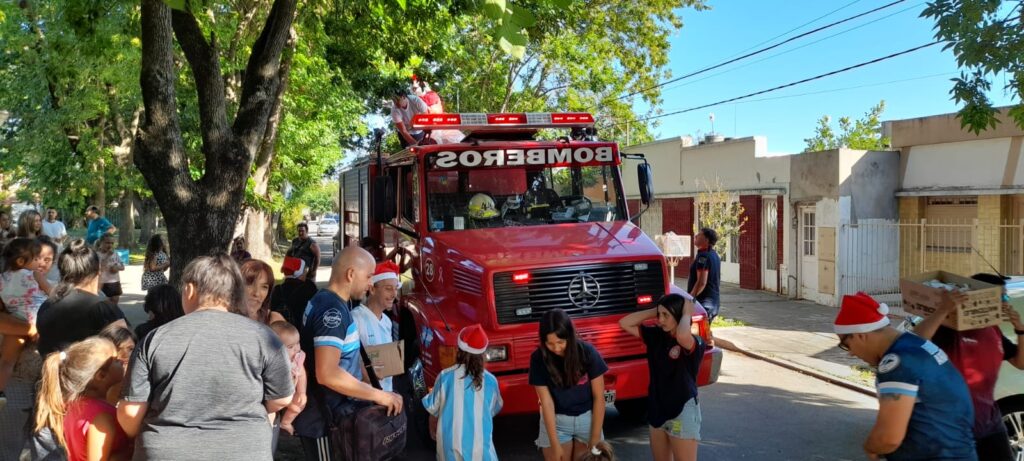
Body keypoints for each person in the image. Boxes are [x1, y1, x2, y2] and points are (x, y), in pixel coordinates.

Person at [117, 253, 294, 461]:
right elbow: (282, 398)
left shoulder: (154, 339)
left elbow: (130, 412)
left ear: (189, 289)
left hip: (167, 452)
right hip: (244, 451)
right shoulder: (265, 337)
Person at [835, 291, 976, 461]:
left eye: (846, 345)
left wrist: (871, 447)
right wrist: (942, 310)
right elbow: (919, 334)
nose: (850, 353)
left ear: (860, 335)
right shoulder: (915, 346)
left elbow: (888, 439)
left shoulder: (896, 364)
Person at [292, 245, 403, 461]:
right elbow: (327, 373)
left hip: (332, 415)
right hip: (324, 421)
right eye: (368, 276)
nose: (370, 283)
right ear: (351, 274)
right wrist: (379, 395)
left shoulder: (326, 300)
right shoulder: (332, 311)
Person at [912, 273, 1024, 461]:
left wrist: (1020, 329)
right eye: (1001, 297)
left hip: (990, 423)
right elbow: (914, 342)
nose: (1005, 302)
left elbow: (1020, 363)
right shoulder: (950, 328)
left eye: (1005, 297)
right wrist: (943, 310)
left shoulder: (993, 330)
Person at [619, 293, 706, 461]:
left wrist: (687, 313)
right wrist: (656, 310)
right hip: (657, 410)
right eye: (660, 315)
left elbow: (682, 336)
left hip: (681, 410)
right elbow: (625, 322)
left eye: (666, 315)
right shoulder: (656, 336)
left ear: (679, 315)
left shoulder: (694, 342)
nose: (661, 320)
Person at [34, 336, 132, 461]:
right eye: (116, 360)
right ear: (101, 376)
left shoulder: (76, 405)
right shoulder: (101, 417)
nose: (122, 361)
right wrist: (132, 449)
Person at [530, 309, 608, 461]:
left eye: (560, 342)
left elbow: (599, 397)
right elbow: (546, 402)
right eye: (550, 344)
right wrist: (555, 444)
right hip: (555, 422)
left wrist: (595, 437)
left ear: (570, 337)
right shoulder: (538, 358)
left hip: (588, 419)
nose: (556, 348)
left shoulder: (587, 352)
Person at [422, 324, 503, 461]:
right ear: (483, 354)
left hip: (450, 449)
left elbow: (433, 410)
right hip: (480, 450)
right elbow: (494, 409)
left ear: (458, 350)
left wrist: (432, 427)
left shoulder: (445, 377)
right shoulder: (490, 381)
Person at [36, 239, 127, 357]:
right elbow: (126, 348)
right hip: (92, 368)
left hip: (53, 367)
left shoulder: (47, 305)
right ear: (98, 269)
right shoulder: (103, 308)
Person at [0, 238, 48, 410]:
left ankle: (0, 391)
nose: (39, 263)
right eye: (36, 258)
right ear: (21, 261)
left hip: (15, 321)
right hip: (39, 318)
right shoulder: (34, 275)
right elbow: (51, 291)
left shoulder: (1, 278)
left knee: (7, 361)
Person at [352, 261, 401, 392]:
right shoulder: (355, 319)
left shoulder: (387, 321)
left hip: (386, 396)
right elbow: (344, 365)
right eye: (388, 288)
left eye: (396, 288)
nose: (394, 294)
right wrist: (365, 373)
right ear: (372, 289)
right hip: (365, 399)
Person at [270, 321, 307, 436]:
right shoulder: (273, 362)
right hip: (274, 395)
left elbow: (301, 374)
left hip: (290, 391)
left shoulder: (297, 357)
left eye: (298, 343)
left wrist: (301, 392)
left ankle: (285, 423)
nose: (296, 349)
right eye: (290, 347)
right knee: (290, 409)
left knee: (300, 404)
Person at [270, 256, 318, 328]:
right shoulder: (309, 288)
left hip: (282, 330)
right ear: (300, 273)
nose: (306, 272)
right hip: (304, 330)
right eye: (305, 270)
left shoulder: (277, 290)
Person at [687, 227, 721, 322]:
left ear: (706, 240)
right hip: (712, 302)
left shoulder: (703, 256)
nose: (696, 236)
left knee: (694, 330)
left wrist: (689, 298)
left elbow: (702, 282)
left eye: (699, 234)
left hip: (704, 303)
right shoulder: (714, 254)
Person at [240, 259, 287, 325]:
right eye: (250, 284)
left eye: (264, 287)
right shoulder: (226, 315)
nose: (256, 293)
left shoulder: (274, 320)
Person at [99, 324, 136, 404]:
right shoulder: (93, 392)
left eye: (131, 349)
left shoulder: (142, 384)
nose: (126, 354)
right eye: (118, 349)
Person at [96, 235, 125, 306]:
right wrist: (108, 256)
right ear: (101, 243)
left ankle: (113, 312)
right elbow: (99, 269)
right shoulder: (97, 255)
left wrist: (117, 268)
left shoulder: (115, 254)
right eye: (107, 243)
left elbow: (122, 267)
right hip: (102, 282)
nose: (110, 245)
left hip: (114, 282)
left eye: (112, 243)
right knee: (104, 304)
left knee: (114, 301)